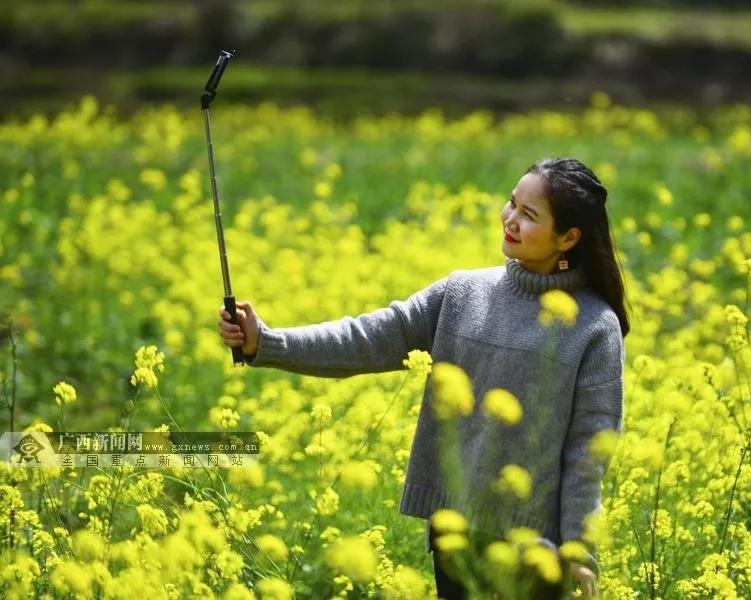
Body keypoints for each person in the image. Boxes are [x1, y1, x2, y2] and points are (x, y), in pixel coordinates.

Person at [219, 157, 630, 599]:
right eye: (512, 203)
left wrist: (578, 549)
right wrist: (265, 342)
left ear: (568, 237)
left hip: (537, 549)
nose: (510, 219)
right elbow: (367, 338)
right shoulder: (461, 294)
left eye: (529, 215)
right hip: (453, 532)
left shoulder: (594, 326)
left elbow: (588, 454)